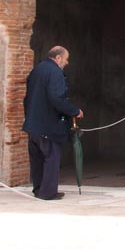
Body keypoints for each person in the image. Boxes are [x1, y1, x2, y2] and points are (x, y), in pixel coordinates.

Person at [22, 46, 82, 200]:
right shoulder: (55, 72)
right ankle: (48, 193)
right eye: (66, 59)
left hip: (33, 125)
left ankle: (39, 189)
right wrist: (74, 111)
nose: (67, 63)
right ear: (58, 58)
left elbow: (27, 98)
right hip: (48, 125)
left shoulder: (37, 70)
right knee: (51, 158)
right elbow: (57, 98)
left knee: (37, 160)